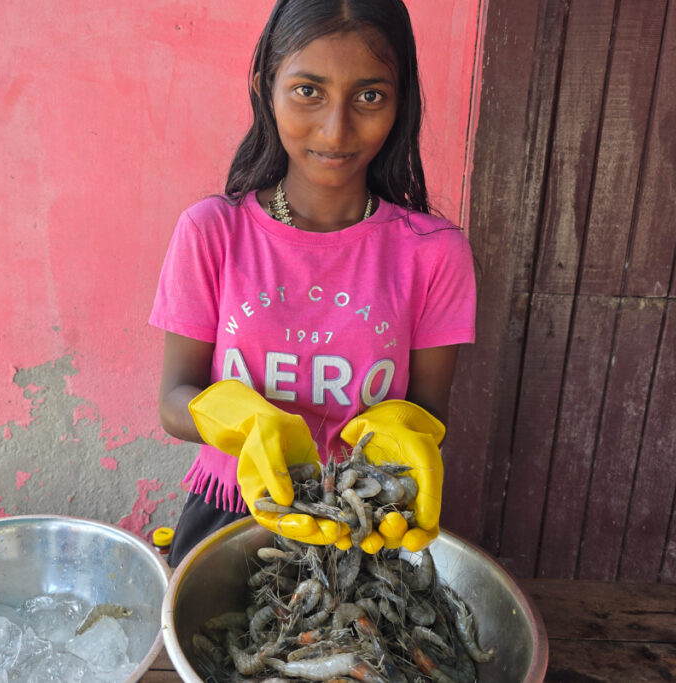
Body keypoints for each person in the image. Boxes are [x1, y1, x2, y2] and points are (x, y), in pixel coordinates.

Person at [149, 0, 476, 567]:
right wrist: (240, 420)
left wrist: (408, 432)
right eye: (308, 91)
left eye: (370, 96)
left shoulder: (435, 254)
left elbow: (428, 413)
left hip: (368, 526)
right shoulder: (213, 232)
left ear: (402, 101)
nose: (336, 128)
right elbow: (174, 398)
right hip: (232, 510)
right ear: (265, 86)